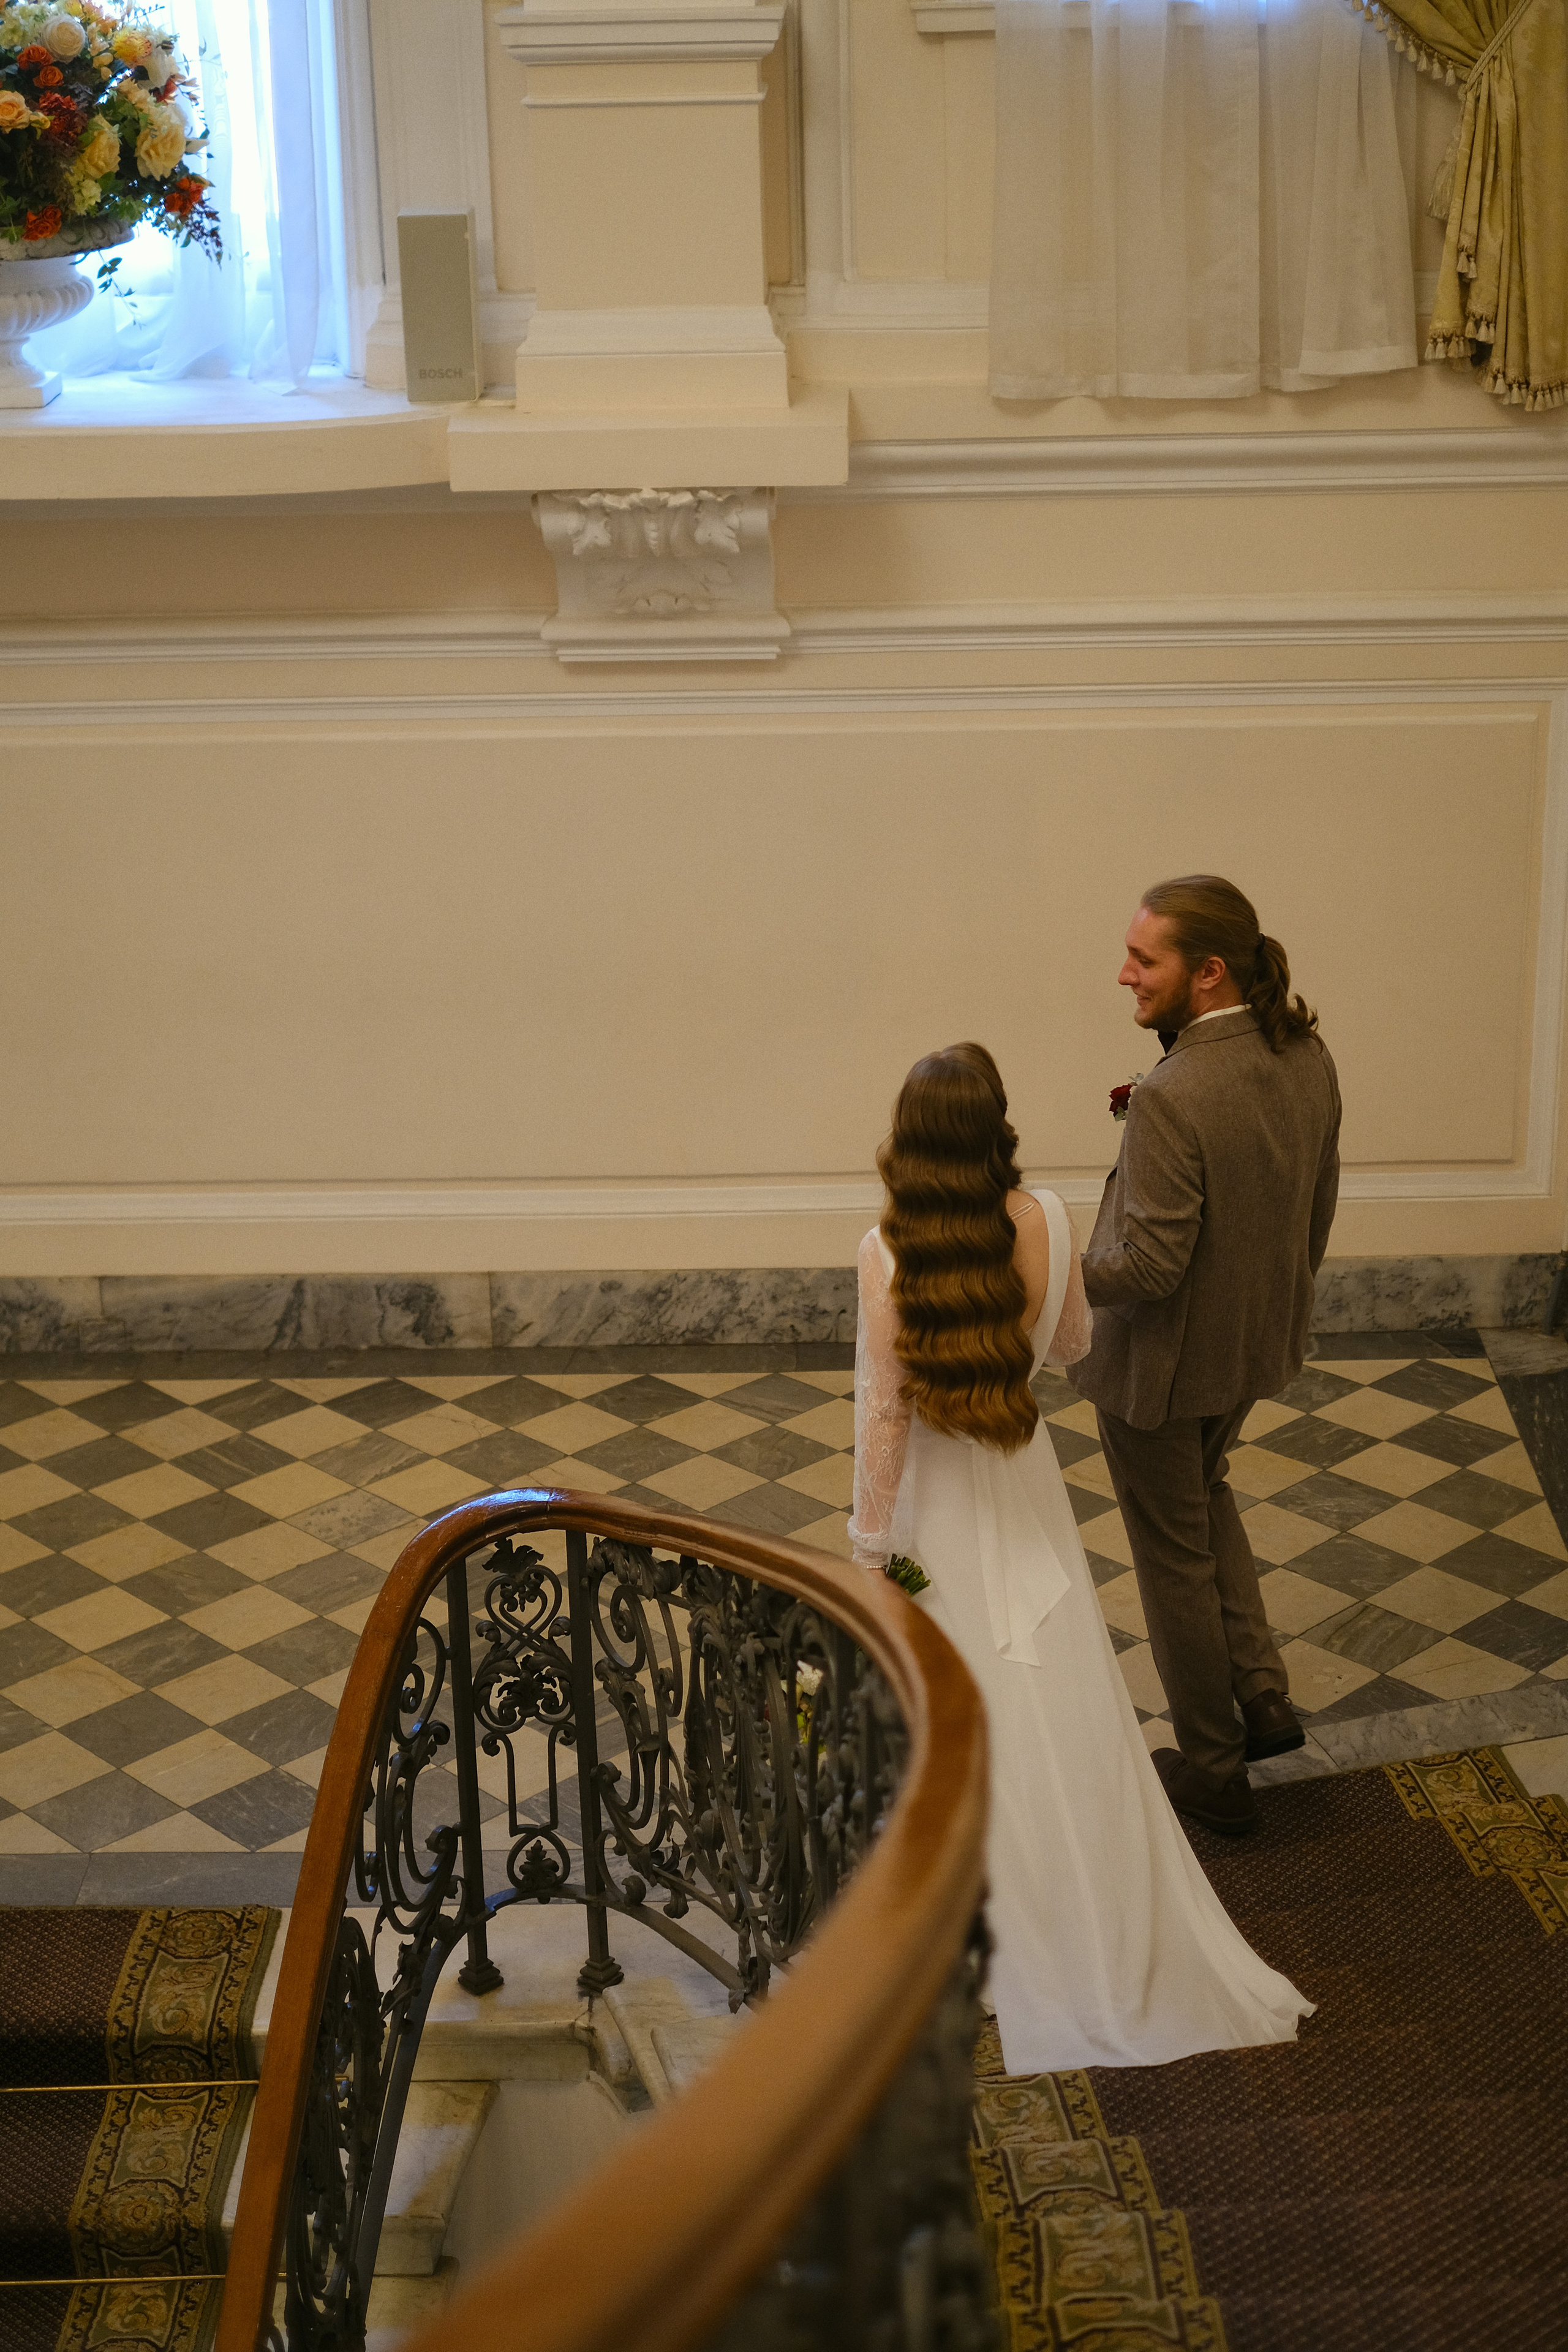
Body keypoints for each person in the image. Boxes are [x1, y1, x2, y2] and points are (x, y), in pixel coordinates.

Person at [849, 1041, 1310, 2075]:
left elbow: (883, 1414)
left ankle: (970, 1908)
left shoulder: (885, 1248)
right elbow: (1069, 1347)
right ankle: (1079, 1892)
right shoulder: (1048, 1218)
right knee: (1051, 1683)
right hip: (1020, 1475)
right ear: (998, 1126)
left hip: (939, 1499)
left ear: (908, 1140)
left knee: (954, 1690)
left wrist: (869, 1547)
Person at [1070, 875, 1342, 1840]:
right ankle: (1262, 1697)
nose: (1126, 974)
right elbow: (1315, 1215)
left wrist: (1052, 1266)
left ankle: (1215, 1767)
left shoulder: (1176, 1092)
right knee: (1209, 1492)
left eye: (1146, 959)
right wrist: (1272, 1317)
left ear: (1208, 971)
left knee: (1171, 1551)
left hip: (1161, 1371)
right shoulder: (1306, 1055)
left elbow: (1148, 1263)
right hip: (1251, 1348)